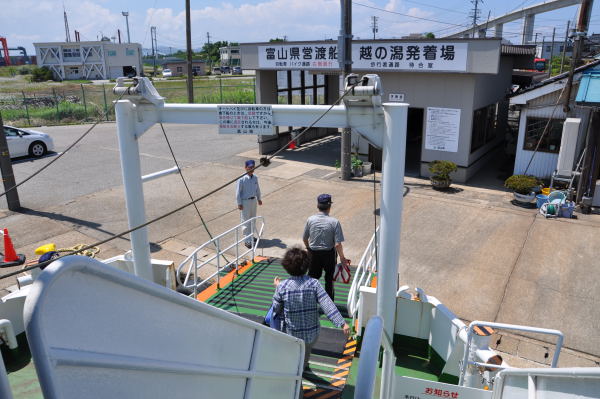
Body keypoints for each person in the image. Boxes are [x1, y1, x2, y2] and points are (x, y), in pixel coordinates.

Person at [272, 247, 350, 371]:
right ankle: (304, 364)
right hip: (312, 333)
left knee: (294, 355)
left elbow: (276, 308)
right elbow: (327, 303)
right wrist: (342, 323)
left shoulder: (282, 286)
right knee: (306, 352)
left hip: (293, 332)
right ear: (307, 265)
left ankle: (297, 371)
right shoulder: (314, 283)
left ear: (286, 266)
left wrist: (277, 287)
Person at [303, 194, 349, 301]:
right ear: (329, 207)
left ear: (318, 206)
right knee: (329, 280)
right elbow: (337, 244)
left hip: (313, 254)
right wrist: (342, 258)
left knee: (312, 279)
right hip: (329, 254)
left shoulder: (310, 220)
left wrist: (308, 248)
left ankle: (310, 301)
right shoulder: (334, 222)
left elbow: (305, 238)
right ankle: (329, 304)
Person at [236, 159, 262, 248]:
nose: (251, 169)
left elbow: (257, 189)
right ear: (245, 168)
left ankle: (251, 236)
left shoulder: (255, 178)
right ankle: (247, 240)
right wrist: (239, 203)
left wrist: (259, 198)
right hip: (245, 202)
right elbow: (238, 192)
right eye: (250, 167)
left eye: (253, 167)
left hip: (253, 201)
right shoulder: (241, 179)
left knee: (253, 219)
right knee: (246, 221)